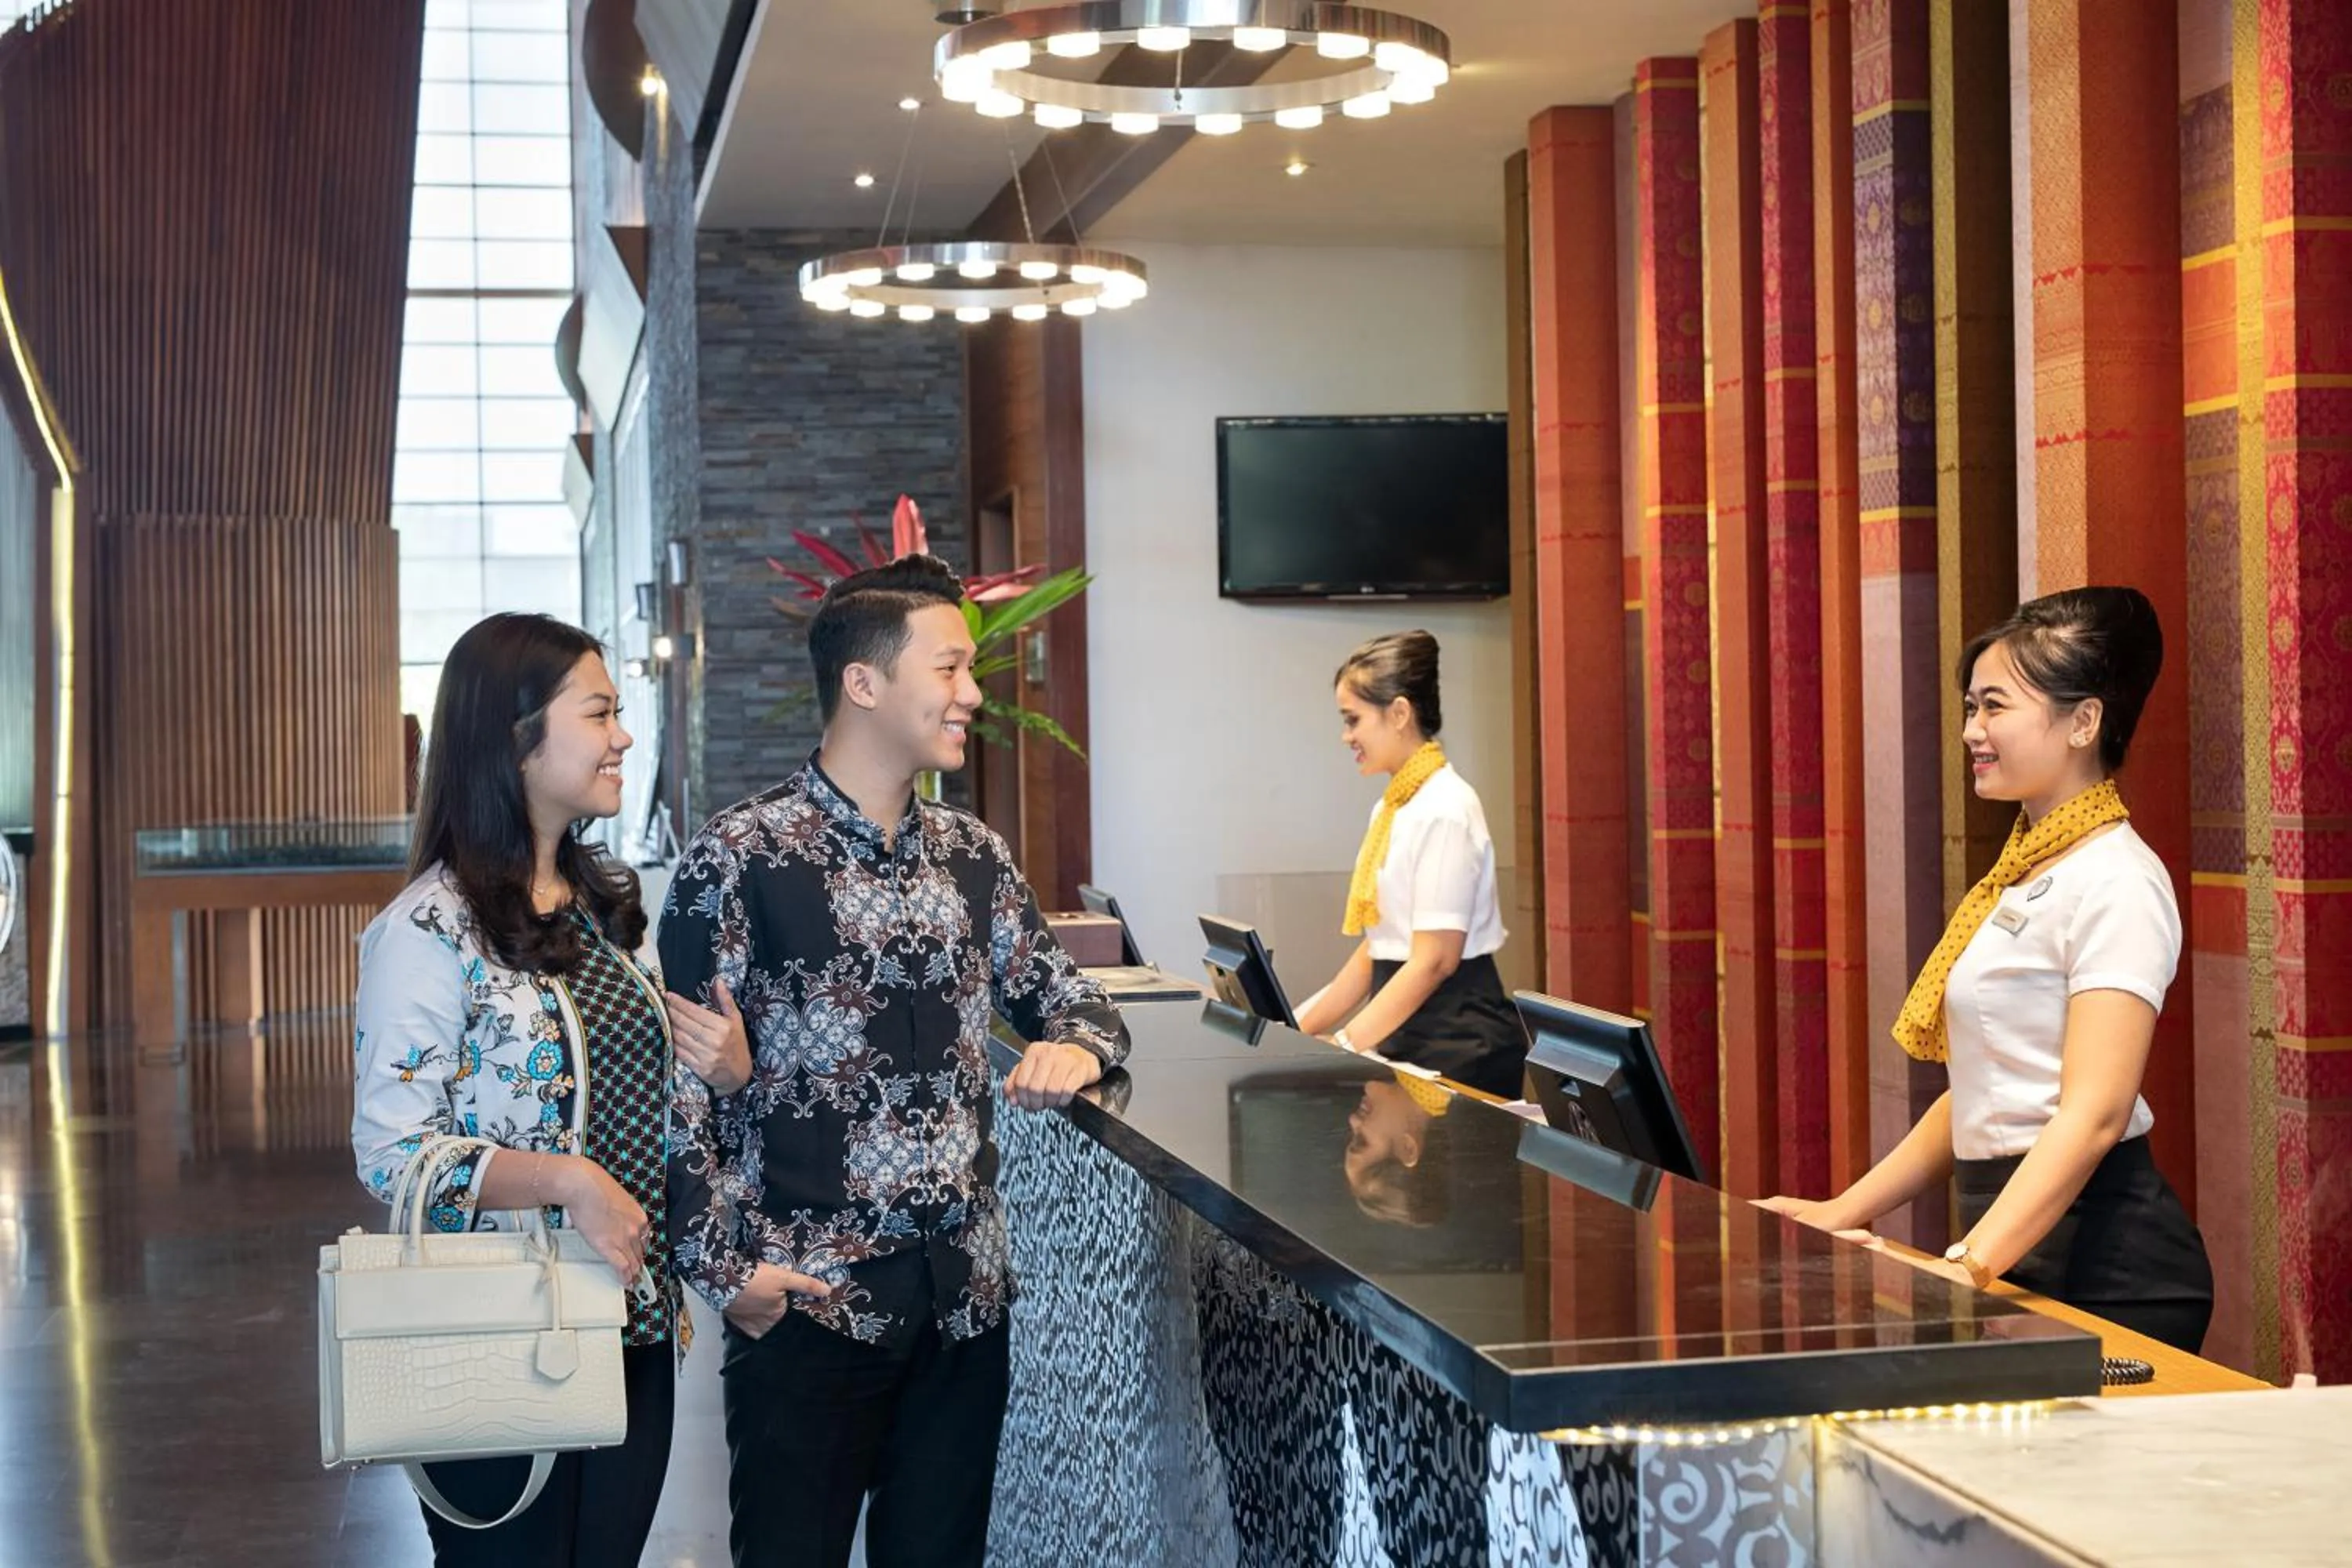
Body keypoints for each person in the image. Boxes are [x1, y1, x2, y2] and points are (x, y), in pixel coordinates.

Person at [660, 553, 1131, 1568]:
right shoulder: (737, 859)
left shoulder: (974, 856)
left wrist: (1074, 1050)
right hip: (808, 1302)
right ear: (864, 682)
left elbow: (1077, 998)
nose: (972, 693)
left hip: (965, 1303)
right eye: (951, 668)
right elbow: (681, 1093)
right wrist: (729, 1276)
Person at [351, 613, 746, 1565]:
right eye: (600, 711)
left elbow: (645, 1099)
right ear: (516, 738)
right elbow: (392, 1153)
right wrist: (564, 1179)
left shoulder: (600, 908)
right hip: (499, 1328)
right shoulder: (426, 929)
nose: (624, 736)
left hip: (630, 1318)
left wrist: (726, 1069)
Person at [1762, 586, 2213, 1351]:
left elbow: (2094, 1112)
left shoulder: (2118, 878)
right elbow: (1984, 1089)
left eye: (1995, 706)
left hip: (2108, 1264)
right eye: (1970, 707)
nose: (1972, 729)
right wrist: (1838, 1210)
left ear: (2084, 721)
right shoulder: (2020, 869)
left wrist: (1969, 1264)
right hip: (2017, 1236)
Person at [1295, 630, 1524, 1098]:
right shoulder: (1394, 807)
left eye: (1353, 720)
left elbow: (1435, 960)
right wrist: (1289, 1028)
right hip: (1408, 1031)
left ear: (1399, 713)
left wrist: (1345, 1044)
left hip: (1458, 1043)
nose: (1347, 737)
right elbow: (1379, 946)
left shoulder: (1446, 806)